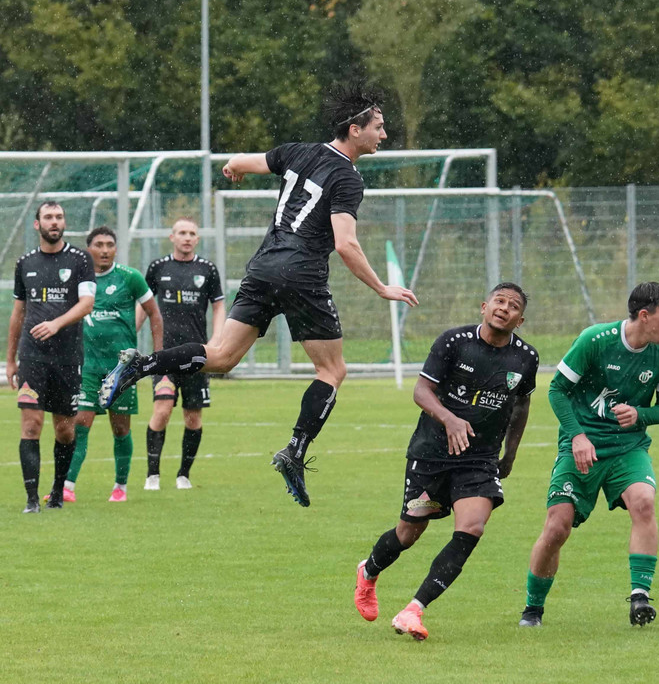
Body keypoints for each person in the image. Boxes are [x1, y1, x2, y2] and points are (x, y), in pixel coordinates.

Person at [99, 81, 418, 507]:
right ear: (354, 130)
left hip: (264, 266)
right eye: (378, 127)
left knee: (220, 357)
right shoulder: (347, 177)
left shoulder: (297, 151)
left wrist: (233, 169)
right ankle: (295, 451)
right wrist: (381, 287)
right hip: (302, 273)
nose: (384, 134)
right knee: (332, 370)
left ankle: (141, 365)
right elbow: (345, 244)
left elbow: (236, 162)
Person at [354, 283, 538, 641]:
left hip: (480, 459)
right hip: (432, 453)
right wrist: (449, 419)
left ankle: (413, 610)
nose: (504, 308)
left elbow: (522, 404)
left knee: (472, 528)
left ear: (520, 320)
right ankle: (368, 571)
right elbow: (421, 391)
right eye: (499, 301)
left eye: (514, 306)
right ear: (484, 306)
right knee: (408, 533)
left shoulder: (526, 358)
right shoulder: (454, 341)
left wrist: (511, 453)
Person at [518, 281, 659, 628]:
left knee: (644, 502)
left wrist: (640, 414)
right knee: (557, 527)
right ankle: (533, 609)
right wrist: (577, 436)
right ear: (645, 315)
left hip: (628, 447)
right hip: (581, 445)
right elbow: (557, 390)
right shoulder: (595, 340)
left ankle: (640, 597)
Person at [59, 226, 163, 503]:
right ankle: (67, 487)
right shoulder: (80, 280)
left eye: (109, 245)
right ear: (89, 249)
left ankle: (120, 486)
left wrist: (158, 357)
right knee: (80, 424)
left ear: (115, 249)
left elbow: (154, 314)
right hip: (88, 366)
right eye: (99, 245)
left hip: (121, 369)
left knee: (120, 429)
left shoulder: (130, 277)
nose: (104, 250)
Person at [6, 201, 96, 512]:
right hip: (32, 357)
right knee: (31, 425)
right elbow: (18, 313)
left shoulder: (80, 259)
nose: (54, 221)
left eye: (59, 217)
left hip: (68, 357)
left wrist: (56, 324)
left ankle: (57, 491)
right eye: (48, 217)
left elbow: (87, 303)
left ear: (64, 223)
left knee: (65, 429)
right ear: (37, 224)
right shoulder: (25, 263)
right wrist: (11, 359)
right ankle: (31, 499)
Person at [136, 218, 225, 491]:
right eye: (182, 233)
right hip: (164, 355)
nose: (187, 237)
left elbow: (219, 307)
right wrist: (130, 332)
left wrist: (216, 340)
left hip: (197, 356)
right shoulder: (158, 267)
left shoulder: (207, 269)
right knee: (162, 410)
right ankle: (152, 475)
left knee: (193, 418)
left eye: (192, 233)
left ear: (197, 239)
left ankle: (183, 475)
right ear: (172, 237)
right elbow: (144, 305)